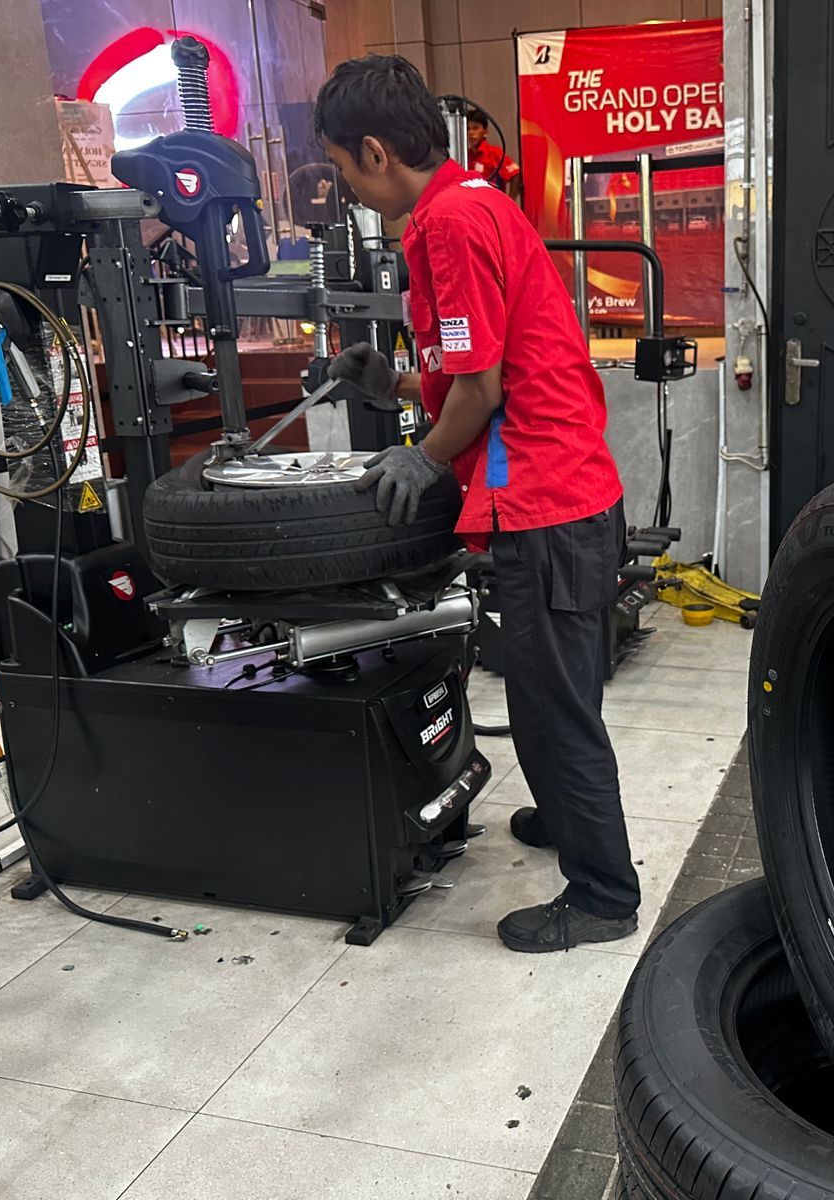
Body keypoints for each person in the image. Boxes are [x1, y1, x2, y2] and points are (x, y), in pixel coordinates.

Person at [314, 56, 640, 953]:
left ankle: (604, 897)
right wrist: (393, 382)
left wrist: (422, 455)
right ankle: (568, 818)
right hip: (565, 493)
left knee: (553, 708)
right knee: (552, 691)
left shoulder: (450, 223)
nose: (348, 187)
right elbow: (485, 368)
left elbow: (483, 390)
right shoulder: (474, 205)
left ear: (375, 152)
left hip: (544, 504)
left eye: (341, 168)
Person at [466, 107, 522, 202]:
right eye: (468, 129)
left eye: (475, 128)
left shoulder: (494, 153)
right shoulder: (466, 156)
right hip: (473, 205)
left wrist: (509, 202)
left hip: (493, 204)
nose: (471, 133)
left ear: (485, 132)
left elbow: (516, 174)